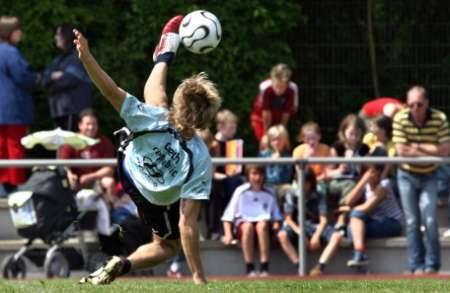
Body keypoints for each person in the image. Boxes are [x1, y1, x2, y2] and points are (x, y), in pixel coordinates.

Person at [76, 15, 221, 285]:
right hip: (158, 195)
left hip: (130, 170)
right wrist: (199, 277)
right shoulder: (201, 159)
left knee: (156, 102)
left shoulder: (154, 115)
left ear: (180, 103)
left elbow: (110, 90)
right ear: (207, 119)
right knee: (167, 247)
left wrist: (87, 58)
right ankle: (125, 262)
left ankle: (164, 54)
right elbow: (186, 225)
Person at [309, 148, 403, 276]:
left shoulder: (384, 185)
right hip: (375, 221)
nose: (368, 172)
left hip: (392, 223)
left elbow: (366, 208)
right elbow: (347, 201)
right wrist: (363, 181)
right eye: (367, 170)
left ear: (377, 171)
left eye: (371, 170)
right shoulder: (366, 183)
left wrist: (349, 210)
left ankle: (359, 255)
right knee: (353, 225)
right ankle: (360, 259)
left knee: (355, 219)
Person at [393, 85, 450, 274]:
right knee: (411, 221)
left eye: (419, 104)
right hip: (406, 175)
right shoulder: (400, 118)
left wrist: (416, 146)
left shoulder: (439, 118)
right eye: (411, 105)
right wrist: (429, 148)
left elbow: (445, 149)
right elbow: (401, 150)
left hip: (429, 175)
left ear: (427, 103)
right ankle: (416, 265)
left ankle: (432, 265)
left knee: (431, 219)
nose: (415, 108)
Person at [59, 109, 116, 237]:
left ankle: (109, 217)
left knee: (109, 181)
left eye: (94, 124)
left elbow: (109, 169)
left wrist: (91, 176)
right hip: (76, 183)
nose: (91, 127)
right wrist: (69, 174)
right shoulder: (71, 141)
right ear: (80, 125)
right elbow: (63, 164)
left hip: (97, 182)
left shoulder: (104, 141)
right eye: (88, 124)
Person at [0, 16, 38, 196]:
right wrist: (36, 78)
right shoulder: (11, 52)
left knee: (1, 149)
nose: (20, 33)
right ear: (10, 32)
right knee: (15, 148)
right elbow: (23, 77)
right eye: (17, 29)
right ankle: (15, 187)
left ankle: (3, 185)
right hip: (13, 108)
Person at [221, 164, 282, 277]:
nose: (257, 177)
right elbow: (227, 216)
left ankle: (264, 267)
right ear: (248, 176)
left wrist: (276, 226)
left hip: (263, 227)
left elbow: (276, 216)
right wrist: (228, 234)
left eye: (260, 174)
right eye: (254, 174)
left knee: (262, 225)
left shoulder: (270, 192)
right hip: (244, 226)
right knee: (247, 226)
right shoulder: (240, 191)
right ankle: (250, 267)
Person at [277, 168, 334, 269]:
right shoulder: (292, 195)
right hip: (297, 227)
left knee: (337, 236)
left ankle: (320, 267)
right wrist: (300, 232)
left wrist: (316, 236)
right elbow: (288, 219)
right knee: (282, 235)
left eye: (306, 183)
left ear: (311, 183)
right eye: (300, 182)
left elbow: (323, 220)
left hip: (314, 227)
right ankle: (299, 266)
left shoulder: (319, 196)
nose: (303, 185)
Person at [43, 24, 92, 132]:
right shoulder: (58, 59)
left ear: (67, 36)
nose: (56, 37)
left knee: (73, 145)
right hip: (59, 111)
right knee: (62, 147)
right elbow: (45, 79)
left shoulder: (77, 57)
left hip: (74, 110)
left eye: (59, 34)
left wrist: (55, 78)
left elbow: (69, 79)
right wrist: (54, 76)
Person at [209, 109, 243, 239]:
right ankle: (216, 229)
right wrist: (216, 174)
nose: (233, 132)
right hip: (215, 177)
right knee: (218, 188)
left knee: (236, 184)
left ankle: (233, 226)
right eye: (230, 128)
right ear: (220, 127)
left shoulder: (233, 144)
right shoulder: (213, 143)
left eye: (234, 128)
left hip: (230, 178)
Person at [251, 64, 298, 141]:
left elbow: (286, 113)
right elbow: (266, 112)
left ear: (287, 84)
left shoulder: (292, 90)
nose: (278, 91)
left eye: (282, 87)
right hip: (261, 118)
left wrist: (281, 132)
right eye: (276, 86)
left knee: (281, 138)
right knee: (265, 140)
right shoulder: (265, 88)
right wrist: (266, 134)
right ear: (272, 81)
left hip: (279, 115)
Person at [292, 121, 331, 196]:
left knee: (320, 191)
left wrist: (316, 180)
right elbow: (298, 171)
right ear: (303, 139)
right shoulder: (298, 151)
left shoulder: (326, 149)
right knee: (295, 192)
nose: (311, 142)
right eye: (308, 139)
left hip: (320, 181)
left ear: (319, 137)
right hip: (302, 180)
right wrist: (307, 158)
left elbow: (328, 171)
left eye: (314, 138)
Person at [259, 124, 293, 200]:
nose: (277, 142)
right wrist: (271, 161)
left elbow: (287, 176)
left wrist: (280, 162)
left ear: (285, 140)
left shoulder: (287, 156)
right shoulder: (263, 155)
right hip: (266, 185)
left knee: (290, 191)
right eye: (273, 140)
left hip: (283, 185)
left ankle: (288, 212)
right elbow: (260, 172)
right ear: (269, 141)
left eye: (279, 139)